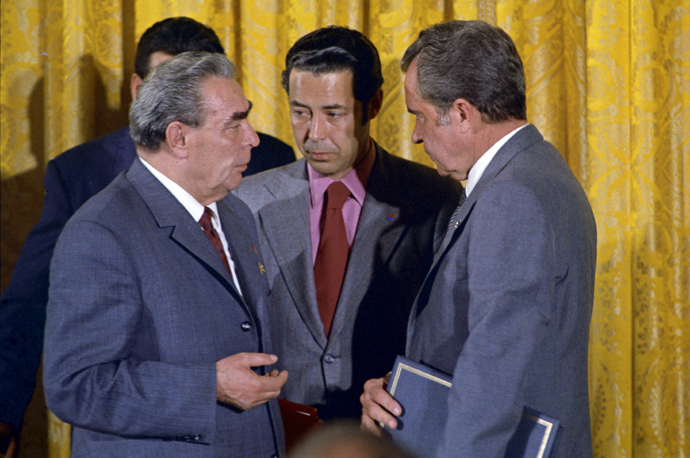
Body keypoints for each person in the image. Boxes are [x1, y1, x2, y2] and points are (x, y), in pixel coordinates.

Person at [0, 16, 294, 450]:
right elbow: (76, 385)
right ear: (178, 138)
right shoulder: (99, 232)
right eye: (234, 124)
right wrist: (206, 386)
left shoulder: (234, 212)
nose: (252, 138)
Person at [360, 20, 597, 457]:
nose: (414, 134)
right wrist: (404, 395)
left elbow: (494, 368)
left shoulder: (513, 196)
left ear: (464, 113)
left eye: (420, 116)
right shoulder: (538, 170)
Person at [234, 26, 460, 420]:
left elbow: (450, 337)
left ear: (373, 104)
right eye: (300, 112)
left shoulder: (433, 200)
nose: (313, 134)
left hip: (384, 436)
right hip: (277, 435)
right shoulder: (244, 201)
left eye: (333, 114)